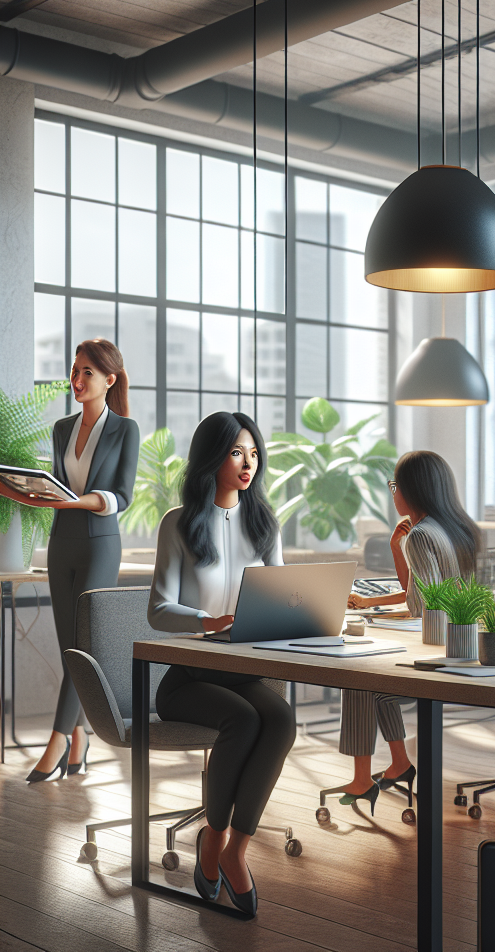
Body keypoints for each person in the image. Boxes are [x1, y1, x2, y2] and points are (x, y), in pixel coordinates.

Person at [148, 411, 296, 917]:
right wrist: (208, 620)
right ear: (212, 457)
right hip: (188, 678)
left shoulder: (264, 524)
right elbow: (158, 609)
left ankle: (235, 849)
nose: (247, 463)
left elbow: (282, 596)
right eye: (236, 452)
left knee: (281, 718)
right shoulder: (179, 523)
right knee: (245, 720)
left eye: (253, 453)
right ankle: (212, 838)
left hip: (242, 670)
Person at [1, 339, 140, 783]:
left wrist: (76, 502)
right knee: (69, 650)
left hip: (100, 544)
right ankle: (80, 738)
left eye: (87, 373)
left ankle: (58, 740)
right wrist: (23, 491)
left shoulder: (125, 429)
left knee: (83, 647)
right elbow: (56, 490)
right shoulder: (63, 428)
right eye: (74, 371)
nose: (76, 380)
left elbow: (122, 496)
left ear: (109, 379)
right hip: (61, 543)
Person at [340, 450, 480, 811]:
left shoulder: (420, 535)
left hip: (435, 649)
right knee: (371, 684)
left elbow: (420, 606)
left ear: (411, 489)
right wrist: (395, 550)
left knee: (357, 679)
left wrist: (376, 616)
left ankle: (362, 779)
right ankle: (398, 763)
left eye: (394, 486)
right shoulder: (453, 528)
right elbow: (418, 590)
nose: (393, 493)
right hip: (462, 642)